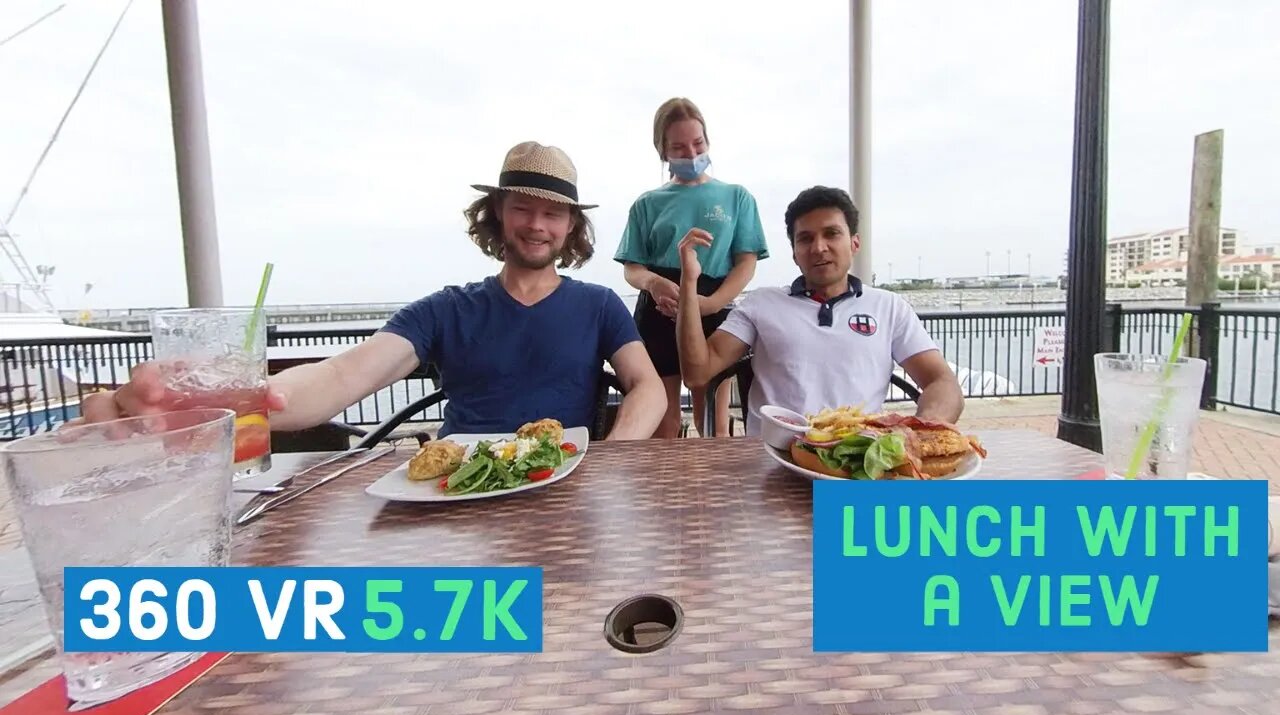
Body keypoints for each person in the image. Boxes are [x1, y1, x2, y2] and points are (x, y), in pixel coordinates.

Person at [79, 142, 668, 441]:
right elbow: (342, 377)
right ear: (497, 215)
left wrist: (614, 456)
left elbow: (648, 389)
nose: (537, 225)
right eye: (522, 209)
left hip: (566, 487)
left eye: (552, 214)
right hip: (455, 491)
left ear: (570, 228)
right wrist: (230, 399)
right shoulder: (445, 309)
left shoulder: (597, 305)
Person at [676, 185, 963, 436]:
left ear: (854, 243)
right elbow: (698, 373)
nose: (819, 247)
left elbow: (942, 382)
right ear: (794, 253)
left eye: (832, 234)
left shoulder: (889, 307)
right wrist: (689, 282)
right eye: (805, 239)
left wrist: (915, 432)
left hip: (857, 464)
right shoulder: (761, 304)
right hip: (773, 463)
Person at [614, 97, 769, 439]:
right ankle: (665, 491)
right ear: (663, 152)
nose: (692, 154)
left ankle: (714, 491)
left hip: (713, 304)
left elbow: (746, 261)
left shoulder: (736, 197)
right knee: (663, 424)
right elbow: (632, 268)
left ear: (708, 141)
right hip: (658, 309)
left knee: (713, 423)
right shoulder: (646, 204)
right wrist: (654, 283)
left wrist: (710, 304)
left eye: (698, 144)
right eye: (680, 148)